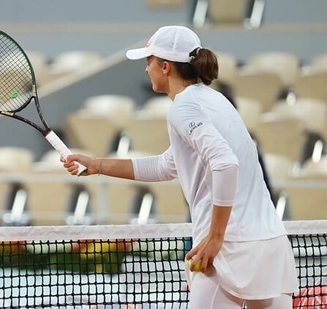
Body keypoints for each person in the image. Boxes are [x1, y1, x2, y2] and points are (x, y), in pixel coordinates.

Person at [63, 26, 298, 308]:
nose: (145, 69)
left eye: (148, 62)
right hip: (268, 241)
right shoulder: (214, 100)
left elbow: (225, 163)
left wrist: (215, 237)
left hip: (228, 249)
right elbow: (166, 165)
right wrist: (98, 165)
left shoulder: (184, 108)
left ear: (165, 67)